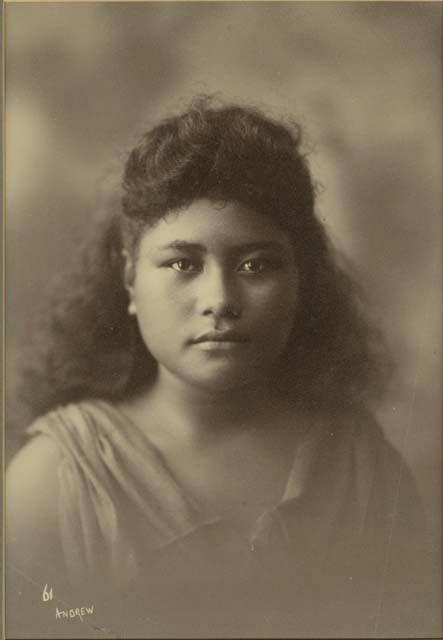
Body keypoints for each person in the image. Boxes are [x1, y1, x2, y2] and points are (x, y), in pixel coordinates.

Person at [6, 97, 438, 638]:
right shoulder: (54, 483)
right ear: (130, 279)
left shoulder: (364, 472)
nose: (220, 299)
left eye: (256, 264)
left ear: (300, 278)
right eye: (183, 264)